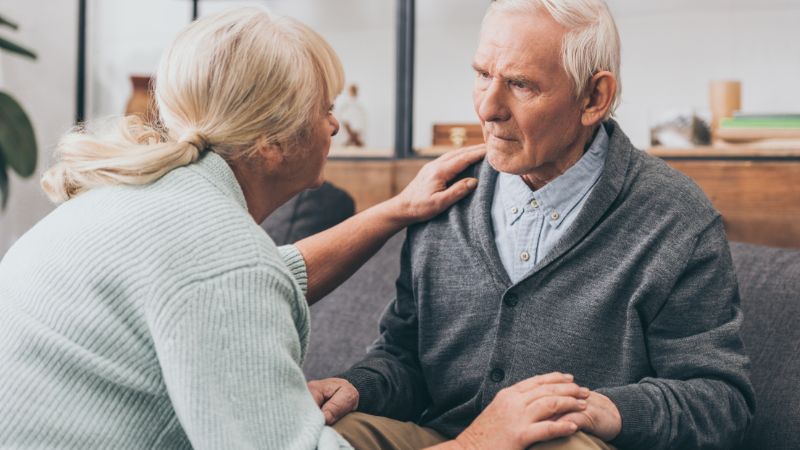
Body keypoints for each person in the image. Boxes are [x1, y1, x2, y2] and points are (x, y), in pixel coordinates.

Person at [0, 7, 491, 449]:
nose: (335, 127)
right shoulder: (220, 257)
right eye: (324, 109)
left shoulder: (137, 200)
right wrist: (485, 442)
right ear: (271, 144)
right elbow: (233, 278)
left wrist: (396, 210)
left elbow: (271, 274)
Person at [308, 1, 755, 449]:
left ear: (593, 98)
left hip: (566, 442)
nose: (487, 108)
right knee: (323, 434)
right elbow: (405, 357)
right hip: (445, 440)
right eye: (482, 74)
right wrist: (359, 386)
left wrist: (607, 410)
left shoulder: (675, 217)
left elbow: (720, 401)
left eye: (520, 84)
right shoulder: (444, 193)